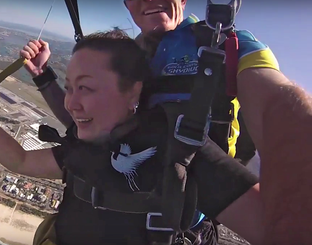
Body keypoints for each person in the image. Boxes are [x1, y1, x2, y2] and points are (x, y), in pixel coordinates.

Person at [24, 1, 312, 243]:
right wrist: (44, 78)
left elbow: (278, 106)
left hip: (180, 228)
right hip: (103, 219)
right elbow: (85, 122)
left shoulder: (228, 45)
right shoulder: (121, 57)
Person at [0, 30, 263, 245]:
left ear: (133, 92)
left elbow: (277, 226)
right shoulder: (87, 147)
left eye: (87, 88)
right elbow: (21, 159)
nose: (71, 103)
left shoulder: (180, 151)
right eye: (70, 88)